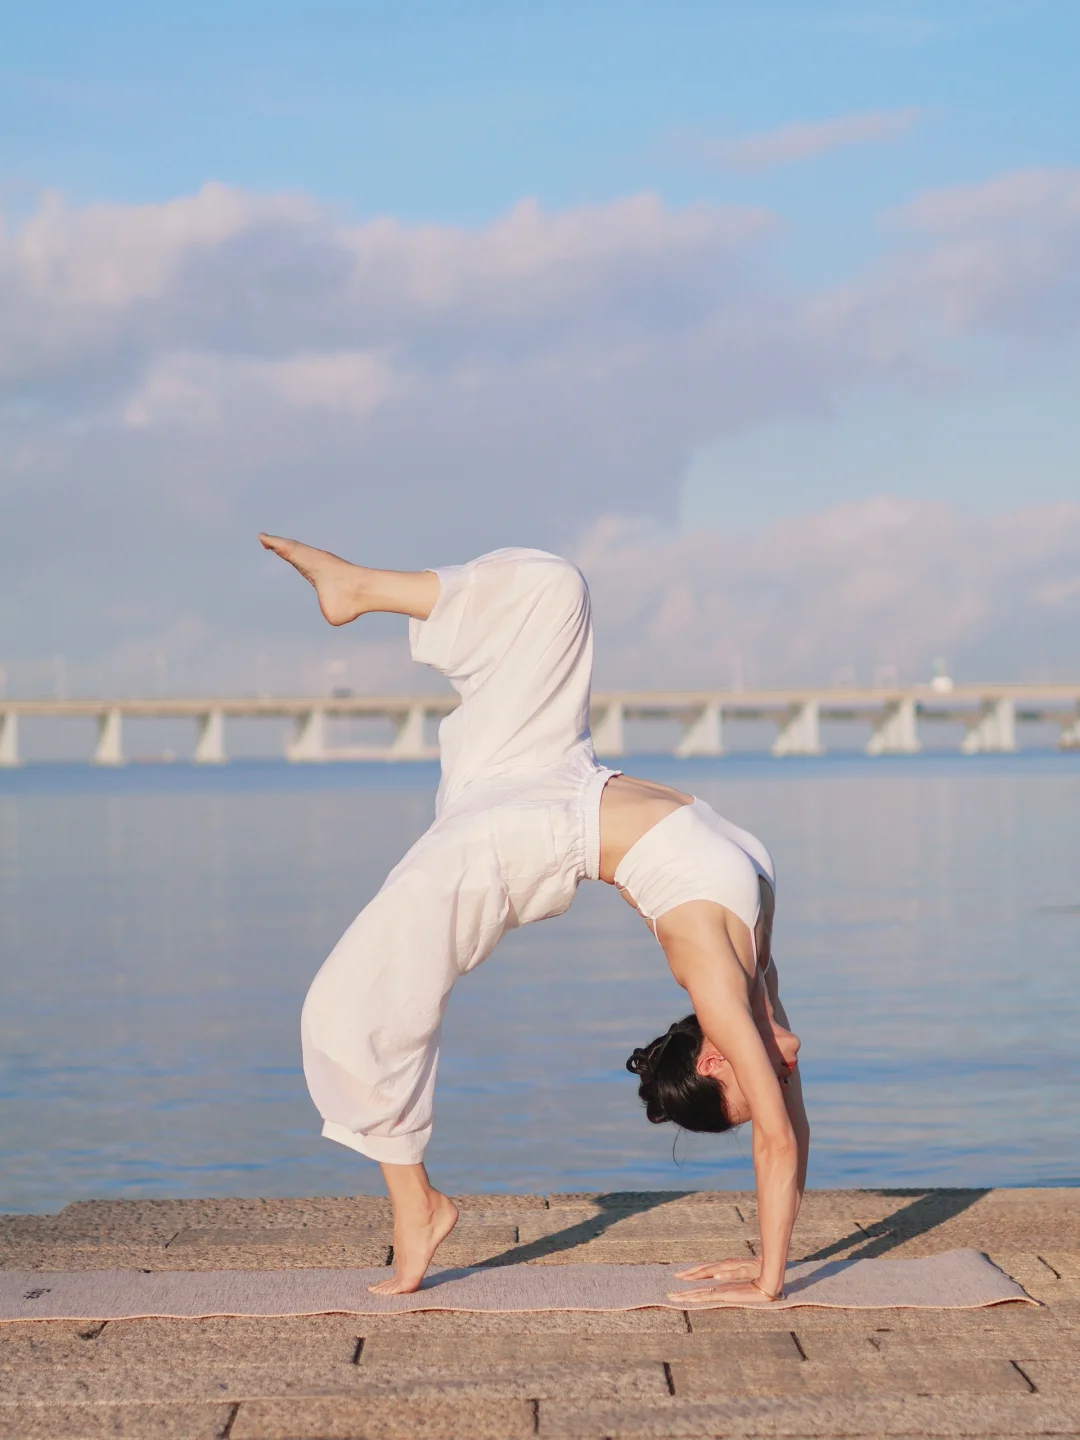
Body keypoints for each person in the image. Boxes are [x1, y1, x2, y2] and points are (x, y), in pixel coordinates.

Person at [259, 536, 808, 1304]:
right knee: (554, 588)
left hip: (527, 837)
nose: (789, 1074)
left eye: (768, 1083)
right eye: (779, 1082)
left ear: (719, 1060)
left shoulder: (717, 979)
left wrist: (767, 1281)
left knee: (350, 1001)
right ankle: (357, 588)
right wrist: (768, 1268)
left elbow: (778, 1139)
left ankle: (418, 1204)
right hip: (552, 765)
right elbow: (788, 1135)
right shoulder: (758, 983)